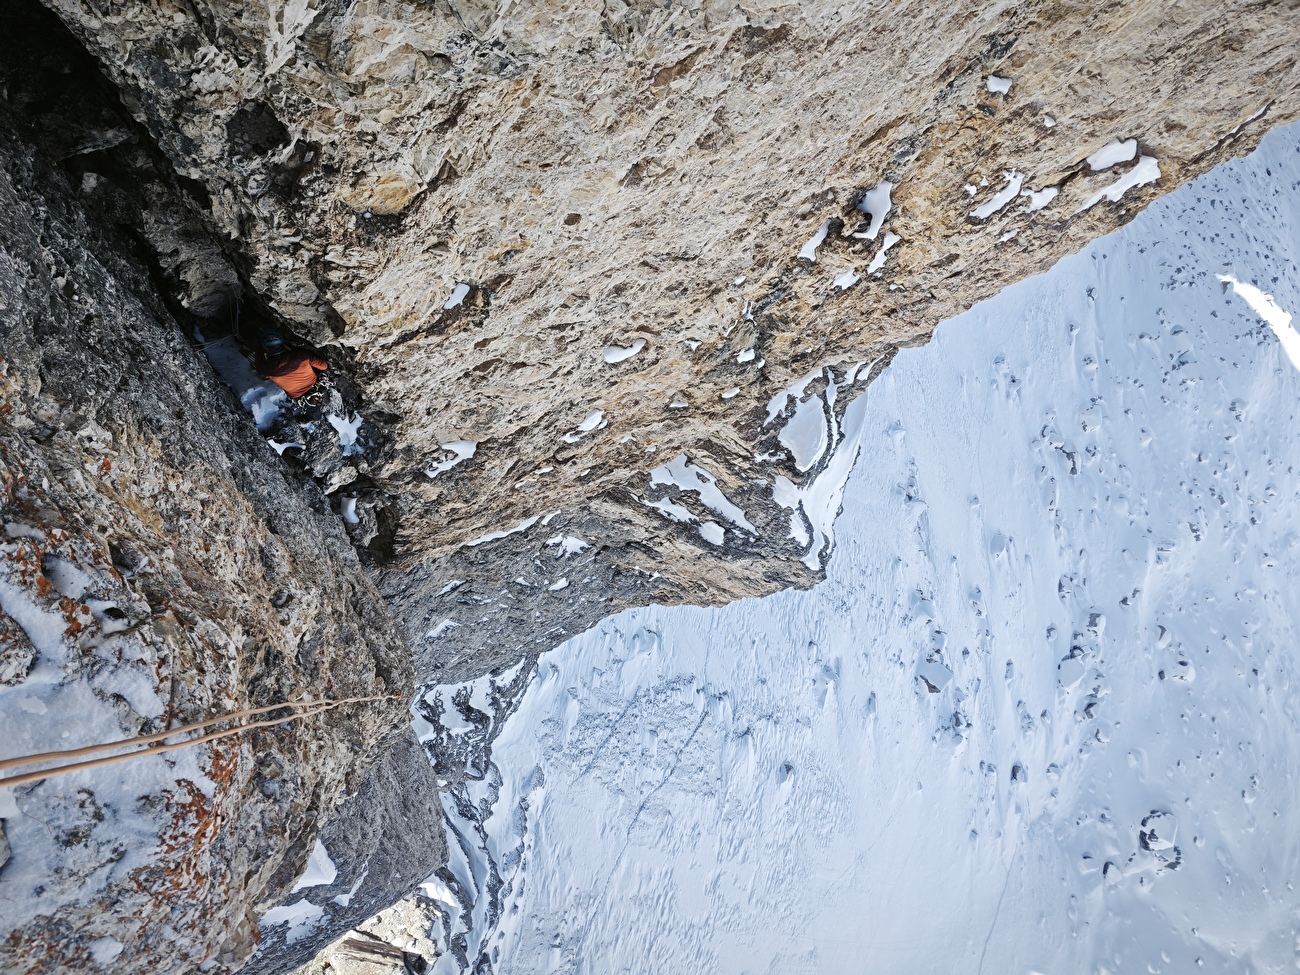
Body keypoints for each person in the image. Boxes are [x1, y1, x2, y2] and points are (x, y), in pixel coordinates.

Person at [255, 332, 329, 399]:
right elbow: (324, 366)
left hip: (297, 396)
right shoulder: (300, 355)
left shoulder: (265, 369)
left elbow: (261, 371)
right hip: (314, 385)